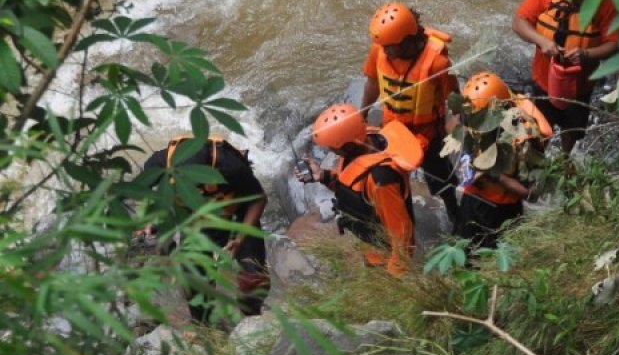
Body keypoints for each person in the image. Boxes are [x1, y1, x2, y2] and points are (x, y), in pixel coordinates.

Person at [139, 135, 269, 323]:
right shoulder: (157, 164)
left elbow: (259, 199)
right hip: (198, 220)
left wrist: (240, 239)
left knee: (253, 280)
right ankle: (205, 328)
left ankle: (253, 321)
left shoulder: (231, 166)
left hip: (237, 213)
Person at [361, 1, 460, 224]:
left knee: (441, 178)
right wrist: (363, 112)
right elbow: (373, 83)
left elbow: (454, 99)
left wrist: (455, 129)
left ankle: (455, 212)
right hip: (392, 129)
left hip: (427, 132)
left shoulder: (437, 63)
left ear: (407, 42)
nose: (385, 51)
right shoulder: (379, 50)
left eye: (390, 47)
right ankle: (403, 221)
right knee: (391, 178)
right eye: (384, 46)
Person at [297, 103, 422, 277]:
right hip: (369, 246)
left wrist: (396, 274)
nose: (330, 151)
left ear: (348, 146)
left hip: (384, 257)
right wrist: (323, 176)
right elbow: (352, 186)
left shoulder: (381, 180)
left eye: (332, 147)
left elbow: (402, 233)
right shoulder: (364, 140)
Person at [512, 0, 619, 153]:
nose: (572, 3)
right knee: (540, 127)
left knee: (573, 128)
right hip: (544, 81)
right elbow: (519, 22)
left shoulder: (604, 3)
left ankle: (565, 157)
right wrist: (542, 41)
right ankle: (537, 159)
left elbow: (614, 44)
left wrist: (587, 53)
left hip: (580, 85)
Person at [452, 72, 552, 248]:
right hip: (475, 194)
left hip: (500, 207)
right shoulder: (490, 102)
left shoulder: (522, 139)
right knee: (462, 245)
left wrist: (493, 173)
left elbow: (526, 190)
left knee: (488, 254)